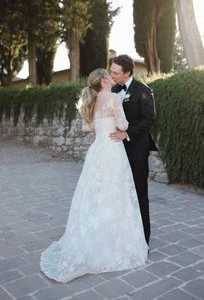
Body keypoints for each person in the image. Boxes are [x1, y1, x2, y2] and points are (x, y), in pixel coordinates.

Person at [40, 68, 148, 283]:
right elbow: (124, 125)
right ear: (106, 80)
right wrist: (122, 121)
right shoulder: (113, 98)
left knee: (97, 197)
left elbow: (89, 127)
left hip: (97, 152)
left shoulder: (91, 100)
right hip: (112, 150)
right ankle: (112, 242)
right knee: (115, 194)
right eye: (110, 75)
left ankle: (95, 240)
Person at [110, 55, 157, 245]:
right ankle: (124, 234)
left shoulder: (143, 90)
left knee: (139, 192)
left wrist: (126, 133)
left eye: (116, 73)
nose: (112, 75)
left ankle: (143, 240)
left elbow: (149, 119)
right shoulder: (112, 90)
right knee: (120, 192)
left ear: (127, 73)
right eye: (111, 71)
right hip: (117, 151)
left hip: (137, 149)